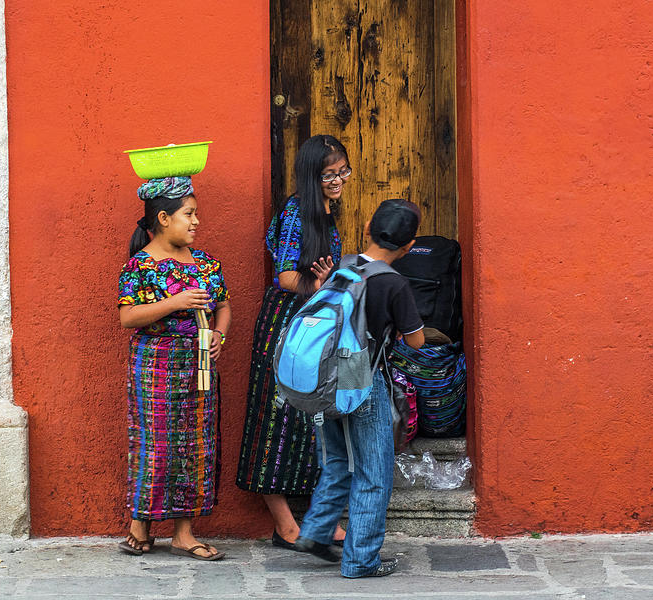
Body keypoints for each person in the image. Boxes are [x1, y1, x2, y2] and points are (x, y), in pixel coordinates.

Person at [294, 199, 425, 578]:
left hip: (323, 380)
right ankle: (360, 560)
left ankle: (317, 533)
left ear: (367, 226)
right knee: (374, 471)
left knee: (338, 461)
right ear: (409, 245)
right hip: (361, 381)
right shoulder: (394, 283)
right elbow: (415, 341)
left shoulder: (343, 268)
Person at [236, 135, 350, 548]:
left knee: (311, 421)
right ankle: (285, 525)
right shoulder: (297, 211)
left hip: (310, 322)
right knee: (276, 419)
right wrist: (317, 284)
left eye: (342, 171)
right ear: (311, 174)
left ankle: (318, 521)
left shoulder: (322, 208)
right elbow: (286, 276)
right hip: (286, 326)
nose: (338, 180)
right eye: (329, 174)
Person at [117, 176, 230, 561]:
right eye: (189, 214)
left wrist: (220, 334)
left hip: (199, 365)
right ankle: (140, 524)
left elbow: (224, 305)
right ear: (163, 218)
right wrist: (176, 301)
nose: (196, 221)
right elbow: (128, 317)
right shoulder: (140, 267)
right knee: (156, 445)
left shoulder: (207, 264)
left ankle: (184, 533)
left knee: (196, 446)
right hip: (155, 366)